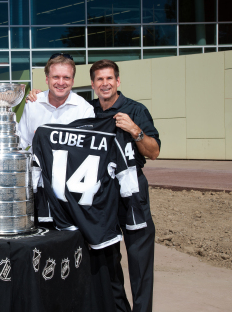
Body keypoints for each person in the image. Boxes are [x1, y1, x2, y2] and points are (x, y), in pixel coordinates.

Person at [28, 59, 160, 312]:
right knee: (108, 259)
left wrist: (135, 130)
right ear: (92, 84)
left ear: (118, 81)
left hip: (131, 189)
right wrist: (37, 97)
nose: (105, 84)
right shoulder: (89, 111)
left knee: (139, 259)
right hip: (101, 194)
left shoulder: (135, 109)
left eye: (109, 79)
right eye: (99, 80)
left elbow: (153, 152)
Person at [17, 53, 94, 152]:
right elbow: (21, 142)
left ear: (73, 81)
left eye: (66, 77)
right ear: (47, 79)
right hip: (36, 166)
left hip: (70, 166)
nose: (61, 82)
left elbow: (86, 148)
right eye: (56, 77)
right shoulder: (33, 103)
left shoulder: (85, 110)